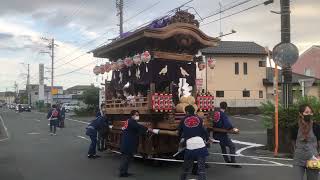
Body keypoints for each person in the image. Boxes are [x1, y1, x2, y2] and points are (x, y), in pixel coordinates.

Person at [178, 105, 209, 180]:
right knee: (201, 169)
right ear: (194, 111)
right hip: (201, 145)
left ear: (187, 112)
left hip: (190, 146)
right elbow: (204, 131)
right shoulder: (199, 119)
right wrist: (207, 139)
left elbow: (179, 132)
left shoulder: (183, 120)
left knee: (185, 168)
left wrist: (182, 140)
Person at [291, 104, 320, 180]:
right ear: (300, 114)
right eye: (306, 112)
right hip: (298, 159)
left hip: (313, 159)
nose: (309, 114)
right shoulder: (295, 127)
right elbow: (293, 141)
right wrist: (295, 152)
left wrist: (318, 155)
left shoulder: (316, 126)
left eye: (311, 112)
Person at [119, 110, 151, 177]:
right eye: (136, 115)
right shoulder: (131, 121)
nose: (137, 116)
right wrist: (148, 129)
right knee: (126, 158)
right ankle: (122, 173)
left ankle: (125, 171)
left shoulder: (129, 121)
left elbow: (137, 128)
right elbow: (138, 127)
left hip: (128, 141)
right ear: (132, 115)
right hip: (128, 142)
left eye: (138, 115)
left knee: (128, 158)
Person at [212, 101, 241, 168]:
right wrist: (233, 128)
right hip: (222, 134)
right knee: (232, 146)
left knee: (223, 147)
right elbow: (227, 124)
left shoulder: (216, 113)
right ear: (226, 107)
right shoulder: (223, 114)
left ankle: (227, 161)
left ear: (220, 106)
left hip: (215, 133)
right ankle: (233, 162)